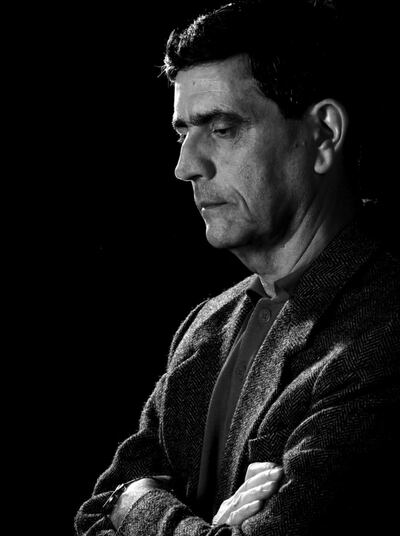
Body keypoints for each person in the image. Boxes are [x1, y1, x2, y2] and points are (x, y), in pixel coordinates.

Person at [75, 1, 400, 534]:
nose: (185, 166)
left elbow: (121, 501)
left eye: (222, 128)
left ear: (323, 135)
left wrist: (139, 505)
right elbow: (93, 515)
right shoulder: (207, 325)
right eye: (183, 133)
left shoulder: (385, 334)